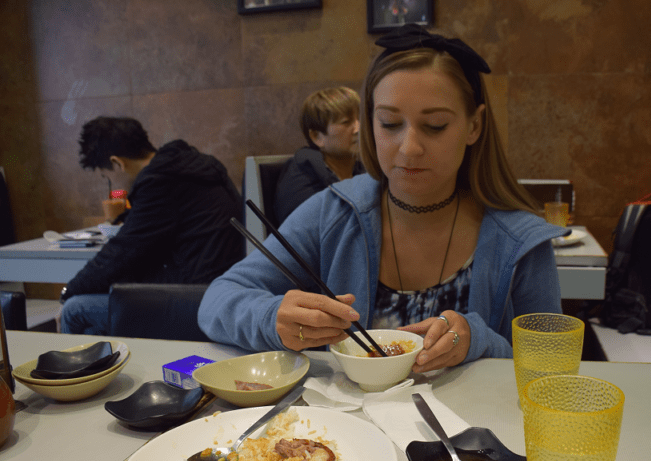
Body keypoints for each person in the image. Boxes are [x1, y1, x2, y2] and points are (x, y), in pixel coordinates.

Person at [198, 24, 568, 372]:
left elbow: (552, 367)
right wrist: (271, 316)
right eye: (390, 123)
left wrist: (481, 342)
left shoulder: (520, 241)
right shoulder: (336, 212)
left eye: (435, 125)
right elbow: (218, 300)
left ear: (474, 125)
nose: (409, 148)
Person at [59, 117, 244, 335]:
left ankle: (74, 368)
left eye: (106, 176)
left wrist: (67, 292)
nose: (110, 183)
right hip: (225, 287)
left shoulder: (160, 181)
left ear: (118, 163)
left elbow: (122, 252)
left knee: (74, 309)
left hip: (196, 299)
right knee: (102, 306)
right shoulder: (195, 165)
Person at [273, 86, 365, 225]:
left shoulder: (362, 172)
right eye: (346, 122)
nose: (359, 128)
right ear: (317, 137)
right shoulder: (303, 186)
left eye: (360, 119)